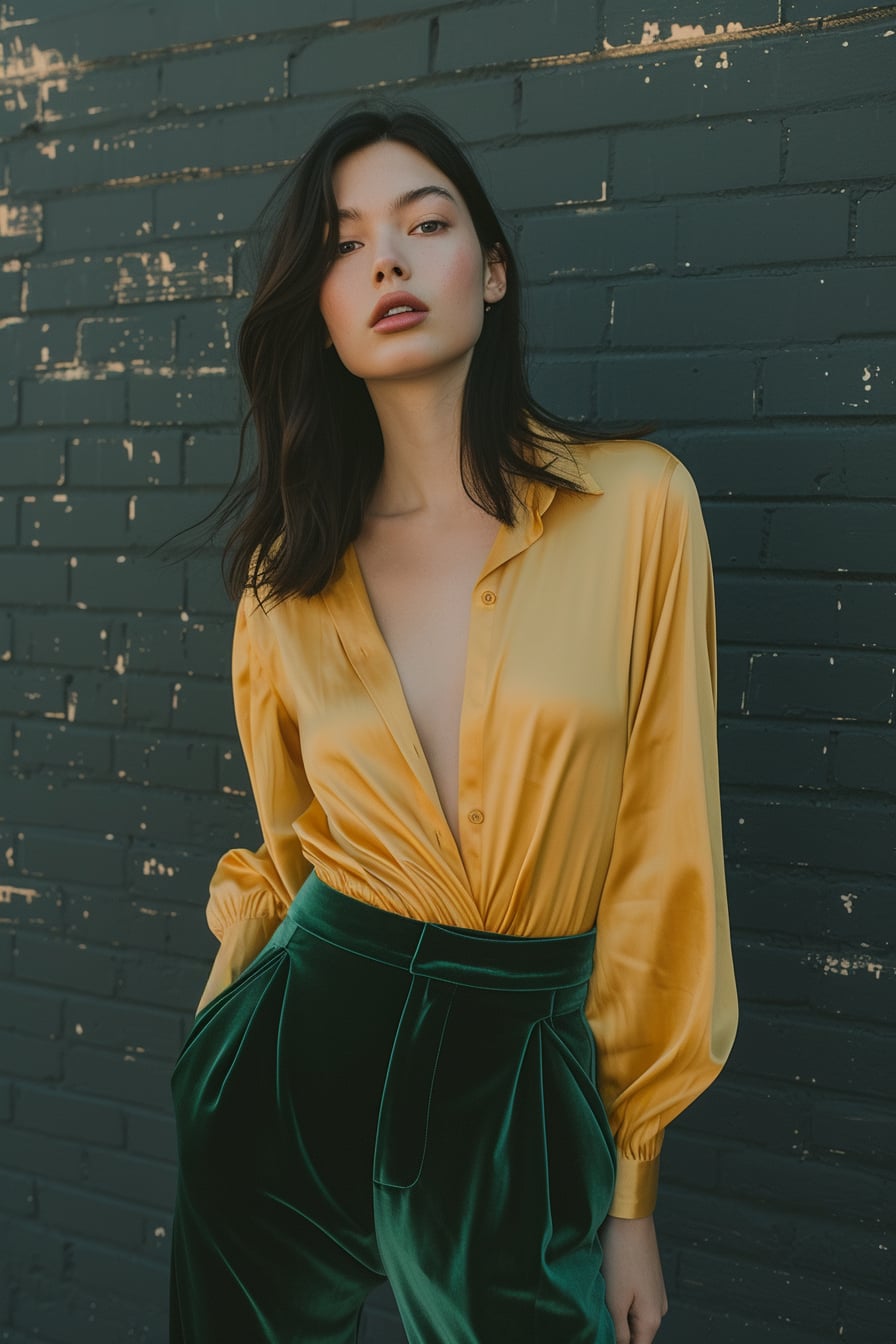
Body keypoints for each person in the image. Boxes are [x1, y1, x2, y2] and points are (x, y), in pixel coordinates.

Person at [167, 98, 738, 1344]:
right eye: (343, 241)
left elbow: (663, 845)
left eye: (423, 224)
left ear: (487, 270)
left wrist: (628, 1187)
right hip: (292, 1067)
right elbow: (287, 842)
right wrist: (225, 1039)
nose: (384, 257)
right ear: (318, 309)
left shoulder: (636, 509)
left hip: (514, 1075)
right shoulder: (285, 579)